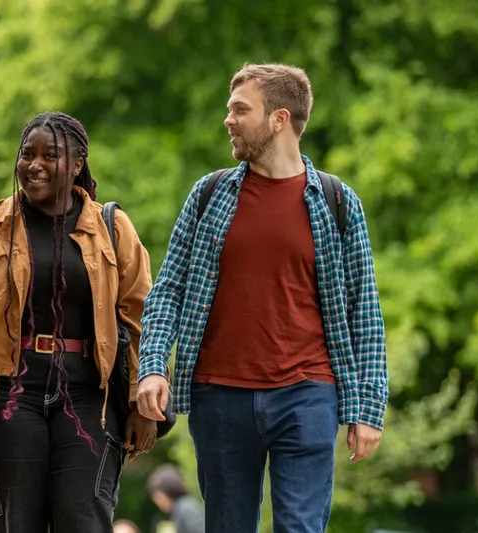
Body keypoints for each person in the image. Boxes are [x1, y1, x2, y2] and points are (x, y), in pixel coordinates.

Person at [135, 63, 389, 533]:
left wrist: (367, 408)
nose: (228, 120)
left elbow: (365, 311)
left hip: (308, 394)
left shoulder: (336, 200)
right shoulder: (209, 195)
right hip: (219, 396)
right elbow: (168, 288)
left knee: (299, 528)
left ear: (279, 119)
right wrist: (152, 364)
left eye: (239, 110)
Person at [0, 111, 159, 533]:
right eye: (26, 154)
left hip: (90, 395)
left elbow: (143, 316)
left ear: (76, 163)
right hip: (10, 391)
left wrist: (143, 403)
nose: (34, 164)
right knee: (19, 522)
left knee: (84, 518)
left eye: (49, 155)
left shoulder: (113, 228)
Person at [149, 464, 206, 533]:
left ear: (167, 491)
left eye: (157, 496)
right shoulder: (181, 507)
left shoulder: (185, 509)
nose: (156, 501)